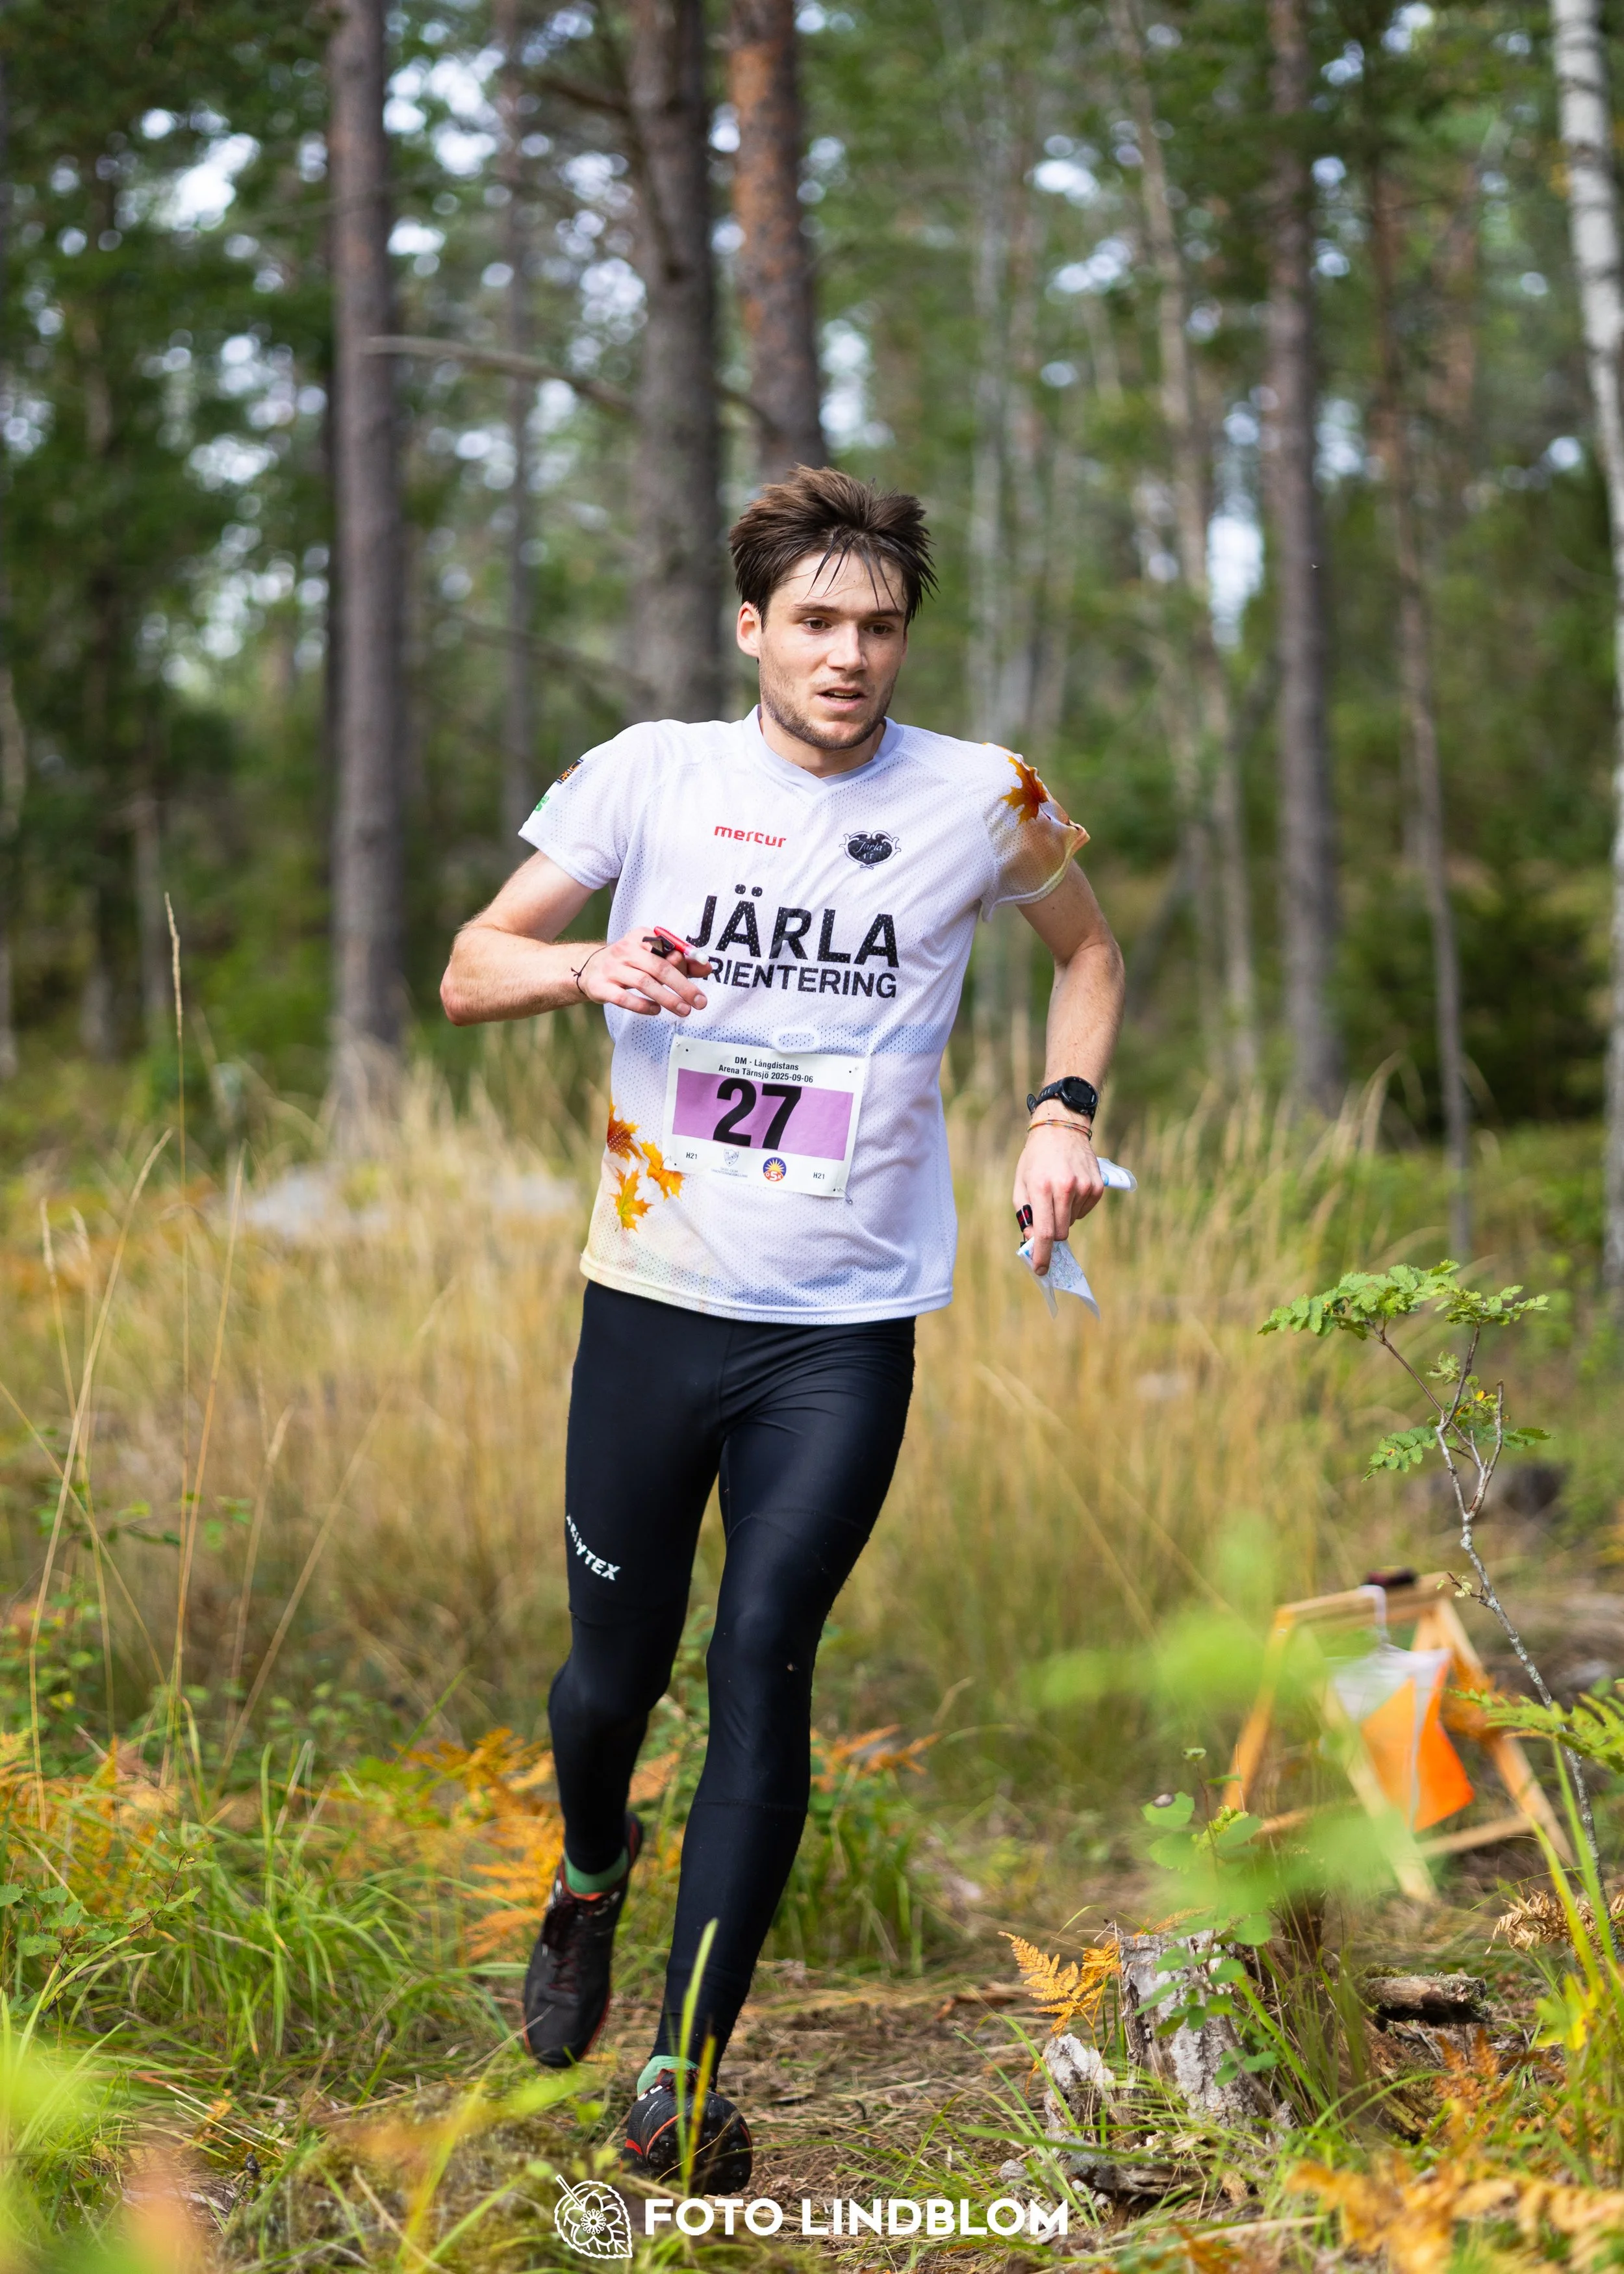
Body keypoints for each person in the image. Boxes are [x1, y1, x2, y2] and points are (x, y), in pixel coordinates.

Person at [440, 465, 1125, 2186]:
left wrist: (1059, 1115)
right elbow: (468, 965)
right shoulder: (650, 773)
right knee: (610, 1680)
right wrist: (586, 967)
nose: (847, 655)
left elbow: (1088, 956)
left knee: (762, 1656)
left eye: (877, 626)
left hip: (844, 1323)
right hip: (652, 1303)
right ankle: (592, 1869)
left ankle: (680, 2073)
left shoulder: (986, 795)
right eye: (815, 621)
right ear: (751, 627)